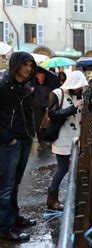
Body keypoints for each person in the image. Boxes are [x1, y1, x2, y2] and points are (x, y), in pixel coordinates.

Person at [0, 51, 38, 242]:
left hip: (24, 139)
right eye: (25, 65)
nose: (28, 69)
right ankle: (4, 228)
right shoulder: (3, 84)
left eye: (31, 66)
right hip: (9, 143)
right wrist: (6, 138)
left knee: (15, 183)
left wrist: (31, 131)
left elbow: (27, 111)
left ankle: (14, 219)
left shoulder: (26, 85)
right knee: (5, 186)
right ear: (16, 64)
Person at [46, 71, 86, 210]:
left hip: (76, 137)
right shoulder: (57, 93)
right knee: (63, 168)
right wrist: (72, 108)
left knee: (75, 168)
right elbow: (53, 114)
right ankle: (52, 199)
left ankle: (72, 196)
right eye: (78, 85)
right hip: (62, 137)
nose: (80, 88)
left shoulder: (78, 95)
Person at [32, 71, 52, 151]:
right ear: (37, 76)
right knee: (38, 126)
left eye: (42, 76)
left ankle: (47, 140)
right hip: (36, 110)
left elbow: (50, 98)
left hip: (46, 109)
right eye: (39, 76)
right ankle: (40, 142)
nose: (41, 77)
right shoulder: (33, 86)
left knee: (46, 125)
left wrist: (48, 106)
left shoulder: (48, 86)